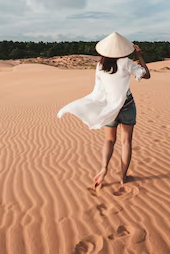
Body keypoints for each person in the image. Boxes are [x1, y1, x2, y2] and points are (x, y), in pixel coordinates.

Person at [57, 32, 151, 188]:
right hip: (127, 107)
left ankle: (103, 169)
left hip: (110, 109)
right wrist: (140, 56)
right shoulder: (126, 62)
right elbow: (146, 75)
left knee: (109, 140)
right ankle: (123, 177)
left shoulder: (100, 65)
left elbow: (99, 90)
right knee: (126, 141)